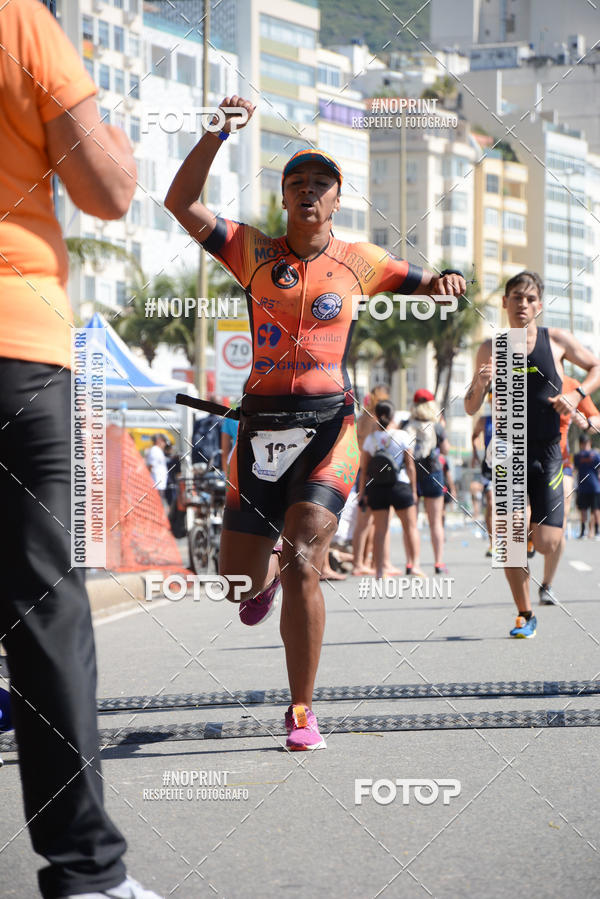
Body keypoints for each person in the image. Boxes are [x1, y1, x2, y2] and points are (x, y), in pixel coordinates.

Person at [165, 95, 465, 750]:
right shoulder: (251, 250)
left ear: (335, 200)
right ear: (284, 198)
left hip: (330, 428)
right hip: (259, 428)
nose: (309, 191)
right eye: (297, 183)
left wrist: (446, 282)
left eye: (320, 184)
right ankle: (259, 580)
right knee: (238, 583)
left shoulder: (363, 261)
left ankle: (302, 708)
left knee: (305, 555)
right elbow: (180, 204)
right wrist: (216, 133)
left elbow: (427, 279)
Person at [0, 2, 160, 897]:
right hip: (14, 343)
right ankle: (86, 872)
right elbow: (108, 189)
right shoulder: (23, 21)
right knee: (41, 603)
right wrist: (93, 114)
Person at [465, 271, 600, 637]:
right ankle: (525, 613)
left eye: (530, 299)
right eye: (515, 298)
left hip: (549, 452)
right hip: (509, 452)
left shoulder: (555, 340)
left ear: (539, 304)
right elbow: (469, 407)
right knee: (508, 542)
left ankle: (528, 536)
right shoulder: (491, 347)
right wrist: (480, 383)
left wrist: (577, 395)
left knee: (548, 542)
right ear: (505, 303)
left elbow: (595, 367)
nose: (522, 305)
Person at [536, 377, 600, 601]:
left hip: (560, 464)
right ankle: (522, 598)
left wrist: (588, 421)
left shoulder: (572, 385)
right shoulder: (523, 372)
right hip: (524, 461)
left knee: (558, 526)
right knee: (519, 525)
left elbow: (597, 418)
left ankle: (546, 584)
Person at [359, 401, 421, 579]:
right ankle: (415, 565)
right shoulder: (402, 435)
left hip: (378, 488)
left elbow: (365, 469)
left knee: (380, 530)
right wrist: (414, 490)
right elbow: (410, 465)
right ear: (393, 416)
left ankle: (379, 570)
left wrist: (362, 493)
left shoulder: (371, 439)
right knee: (410, 527)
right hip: (400, 484)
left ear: (376, 416)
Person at [404, 389, 450, 573]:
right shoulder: (436, 426)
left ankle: (411, 562)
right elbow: (445, 450)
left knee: (411, 523)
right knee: (435, 522)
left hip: (411, 474)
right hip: (433, 474)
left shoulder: (406, 424)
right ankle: (438, 562)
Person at [574, 433, 600, 539]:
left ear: (590, 443)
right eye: (583, 443)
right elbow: (575, 469)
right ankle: (583, 531)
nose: (585, 445)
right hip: (583, 487)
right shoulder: (578, 456)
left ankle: (597, 531)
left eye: (587, 443)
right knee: (583, 510)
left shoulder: (595, 455)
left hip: (595, 487)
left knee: (596, 510)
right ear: (580, 444)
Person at [145, 434, 169, 509]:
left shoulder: (157, 450)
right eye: (164, 442)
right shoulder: (155, 450)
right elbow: (150, 467)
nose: (165, 444)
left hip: (159, 485)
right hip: (156, 485)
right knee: (157, 507)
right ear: (159, 441)